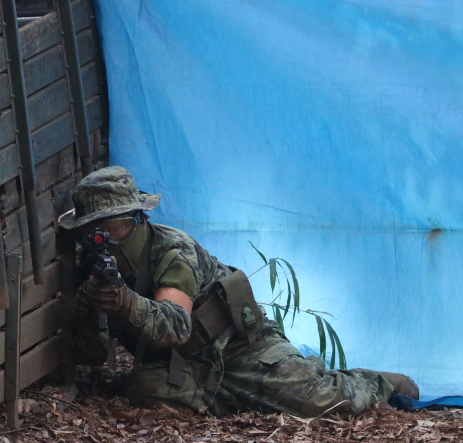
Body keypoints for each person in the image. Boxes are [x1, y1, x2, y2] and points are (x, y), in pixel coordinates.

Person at [61, 166, 419, 417]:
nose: (106, 239)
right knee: (141, 389)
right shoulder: (90, 265)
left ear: (141, 219)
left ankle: (380, 383)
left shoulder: (173, 252)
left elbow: (175, 326)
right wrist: (88, 308)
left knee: (319, 402)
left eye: (117, 227)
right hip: (184, 363)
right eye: (95, 231)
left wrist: (126, 302)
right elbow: (92, 355)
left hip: (241, 346)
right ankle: (238, 397)